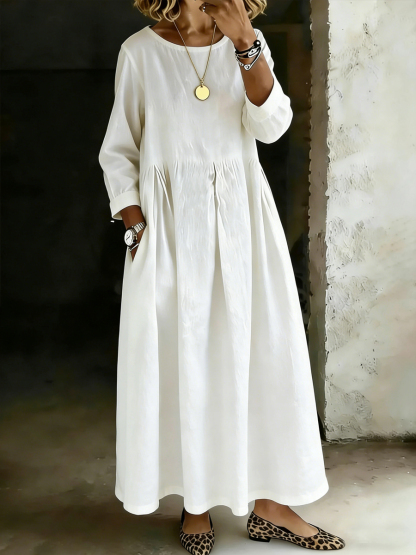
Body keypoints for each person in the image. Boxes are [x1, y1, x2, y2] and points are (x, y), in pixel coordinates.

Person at [98, 0, 346, 552]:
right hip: (170, 231)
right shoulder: (140, 53)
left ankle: (271, 505)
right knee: (187, 357)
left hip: (242, 225)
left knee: (263, 353)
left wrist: (245, 46)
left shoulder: (248, 42)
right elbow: (119, 151)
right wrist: (136, 227)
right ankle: (197, 502)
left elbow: (273, 126)